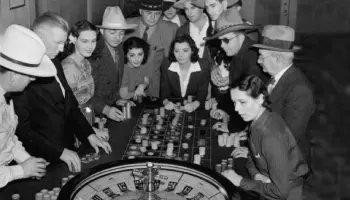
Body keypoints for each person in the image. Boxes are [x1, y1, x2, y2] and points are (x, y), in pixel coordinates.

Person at [13, 12, 112, 174]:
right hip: (41, 156)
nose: (61, 49)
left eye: (63, 42)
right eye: (58, 43)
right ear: (38, 38)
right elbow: (22, 129)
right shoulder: (22, 72)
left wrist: (89, 134)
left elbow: (70, 105)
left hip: (67, 147)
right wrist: (58, 152)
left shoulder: (54, 60)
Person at [222, 74, 309, 200]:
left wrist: (240, 181)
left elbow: (280, 192)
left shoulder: (271, 137)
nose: (236, 109)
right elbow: (252, 158)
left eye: (242, 102)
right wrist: (257, 176)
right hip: (270, 186)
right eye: (234, 103)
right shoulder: (258, 120)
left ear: (260, 98)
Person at [0, 24, 56, 188]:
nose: (33, 79)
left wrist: (26, 160)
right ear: (13, 75)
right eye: (30, 75)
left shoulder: (6, 94)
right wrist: (21, 171)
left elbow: (7, 137)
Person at [252, 25, 315, 157]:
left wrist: (254, 150)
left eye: (262, 57)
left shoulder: (299, 90)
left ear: (277, 58)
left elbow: (288, 139)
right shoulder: (274, 79)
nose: (258, 61)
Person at [204, 8, 268, 133]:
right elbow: (235, 88)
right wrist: (223, 108)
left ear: (240, 34)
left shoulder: (253, 58)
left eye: (226, 40)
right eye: (220, 40)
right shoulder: (237, 52)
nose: (222, 45)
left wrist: (232, 127)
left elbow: (249, 102)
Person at [61, 20, 108, 142]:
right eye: (84, 41)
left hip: (86, 120)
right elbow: (67, 109)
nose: (90, 46)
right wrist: (91, 130)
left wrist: (94, 119)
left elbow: (86, 101)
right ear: (73, 39)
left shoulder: (86, 63)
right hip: (74, 127)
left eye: (93, 41)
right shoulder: (68, 68)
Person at [89, 6, 138, 122]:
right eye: (112, 32)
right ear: (102, 31)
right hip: (93, 114)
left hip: (111, 108)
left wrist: (117, 99)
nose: (118, 38)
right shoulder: (93, 54)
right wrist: (106, 109)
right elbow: (85, 94)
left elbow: (112, 81)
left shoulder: (120, 48)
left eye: (121, 33)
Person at [125, 0, 178, 100]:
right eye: (149, 13)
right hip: (127, 87)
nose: (153, 18)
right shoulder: (126, 26)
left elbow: (171, 64)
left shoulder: (170, 29)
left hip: (153, 89)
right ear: (140, 11)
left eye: (157, 13)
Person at [161, 34, 210, 112]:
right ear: (173, 52)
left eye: (185, 50)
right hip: (174, 106)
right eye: (176, 51)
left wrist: (196, 103)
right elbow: (164, 91)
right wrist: (166, 102)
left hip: (195, 105)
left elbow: (202, 91)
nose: (180, 55)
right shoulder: (166, 64)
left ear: (192, 51)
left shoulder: (204, 65)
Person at [119, 37, 151, 101]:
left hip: (137, 103)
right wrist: (140, 93)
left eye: (140, 54)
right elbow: (124, 95)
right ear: (125, 55)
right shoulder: (124, 70)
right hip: (124, 105)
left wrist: (142, 86)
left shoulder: (142, 66)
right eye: (132, 55)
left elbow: (147, 82)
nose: (137, 59)